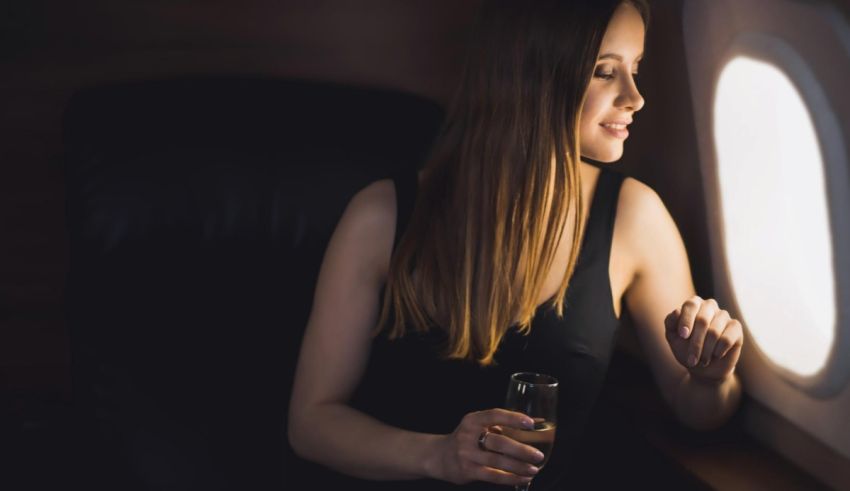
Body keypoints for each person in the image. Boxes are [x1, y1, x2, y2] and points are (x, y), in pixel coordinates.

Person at [287, 0, 744, 489]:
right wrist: (436, 455)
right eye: (604, 72)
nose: (635, 97)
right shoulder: (380, 216)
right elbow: (311, 423)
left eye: (635, 69)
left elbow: (695, 409)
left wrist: (712, 376)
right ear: (534, 74)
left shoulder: (635, 217)